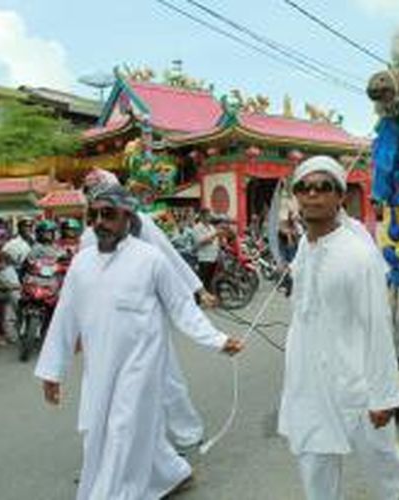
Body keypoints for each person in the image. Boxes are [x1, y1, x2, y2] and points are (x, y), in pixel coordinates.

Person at [34, 185, 244, 500]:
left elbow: (182, 308)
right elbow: (65, 318)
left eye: (109, 214)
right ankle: (171, 473)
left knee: (121, 432)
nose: (99, 222)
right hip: (100, 367)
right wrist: (53, 370)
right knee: (102, 433)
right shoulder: (82, 262)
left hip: (140, 366)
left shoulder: (151, 260)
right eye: (95, 215)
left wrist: (218, 340)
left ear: (128, 218)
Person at [278, 156, 399, 500]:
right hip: (308, 382)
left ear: (341, 197)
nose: (312, 194)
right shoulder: (303, 252)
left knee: (382, 464)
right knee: (313, 464)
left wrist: (383, 394)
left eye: (323, 187)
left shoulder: (358, 255)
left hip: (356, 382)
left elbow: (377, 327)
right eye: (304, 187)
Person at [81, 168, 217, 451]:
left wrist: (198, 289)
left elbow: (167, 257)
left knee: (165, 375)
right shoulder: (88, 234)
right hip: (107, 321)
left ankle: (187, 433)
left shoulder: (140, 222)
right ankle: (119, 446)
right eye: (89, 193)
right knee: (110, 382)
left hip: (146, 315)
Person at [193, 209, 221, 293]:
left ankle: (209, 298)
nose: (209, 218)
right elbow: (200, 241)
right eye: (207, 216)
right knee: (203, 280)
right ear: (202, 217)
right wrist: (213, 235)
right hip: (204, 258)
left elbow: (216, 239)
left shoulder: (211, 227)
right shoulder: (197, 228)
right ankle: (200, 299)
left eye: (209, 216)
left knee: (210, 280)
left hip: (214, 257)